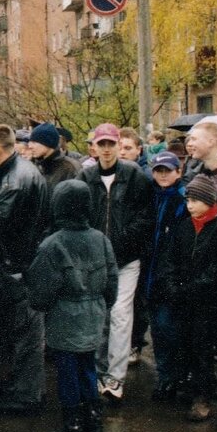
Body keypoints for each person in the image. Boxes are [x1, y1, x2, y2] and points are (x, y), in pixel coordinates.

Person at [26, 180, 119, 432]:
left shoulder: (53, 244)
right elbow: (112, 279)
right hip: (93, 313)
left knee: (67, 372)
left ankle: (73, 428)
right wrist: (102, 305)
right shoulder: (101, 239)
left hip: (65, 315)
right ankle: (94, 424)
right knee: (88, 369)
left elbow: (42, 291)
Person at [78, 122, 153, 401]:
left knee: (121, 315)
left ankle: (115, 377)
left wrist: (121, 244)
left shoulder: (134, 176)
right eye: (102, 144)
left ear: (118, 146)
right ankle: (97, 370)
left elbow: (145, 218)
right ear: (94, 147)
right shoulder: (85, 177)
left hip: (126, 260)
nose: (107, 150)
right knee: (99, 314)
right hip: (95, 260)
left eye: (111, 144)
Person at [0, 124, 50, 414]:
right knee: (22, 332)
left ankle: (27, 394)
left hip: (19, 266)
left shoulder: (15, 180)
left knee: (27, 333)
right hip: (20, 263)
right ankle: (22, 387)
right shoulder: (14, 172)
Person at [163, 174, 217, 422]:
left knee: (203, 347)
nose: (190, 205)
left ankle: (203, 396)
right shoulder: (184, 226)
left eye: (195, 200)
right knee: (183, 343)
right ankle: (188, 386)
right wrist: (172, 284)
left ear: (208, 201)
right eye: (188, 199)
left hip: (205, 301)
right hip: (182, 297)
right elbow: (171, 258)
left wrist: (194, 287)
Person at [143, 151, 189, 400]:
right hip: (152, 274)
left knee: (170, 329)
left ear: (178, 172)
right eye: (159, 170)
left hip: (170, 275)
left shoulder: (182, 200)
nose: (163, 175)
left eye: (168, 171)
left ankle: (174, 379)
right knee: (159, 331)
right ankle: (166, 378)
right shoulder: (151, 196)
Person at [28, 122, 81, 191]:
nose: (30, 146)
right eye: (30, 142)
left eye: (34, 142)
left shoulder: (70, 168)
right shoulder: (34, 165)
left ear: (48, 143)